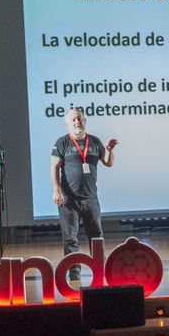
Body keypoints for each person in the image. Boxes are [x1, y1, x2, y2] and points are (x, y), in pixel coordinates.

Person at [49, 106, 117, 278]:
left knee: (96, 236)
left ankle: (100, 268)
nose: (77, 122)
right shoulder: (62, 142)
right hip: (69, 200)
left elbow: (108, 163)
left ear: (85, 121)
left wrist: (109, 150)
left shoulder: (94, 141)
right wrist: (56, 191)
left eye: (79, 118)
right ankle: (74, 272)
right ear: (67, 125)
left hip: (91, 199)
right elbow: (54, 168)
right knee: (71, 239)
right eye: (73, 120)